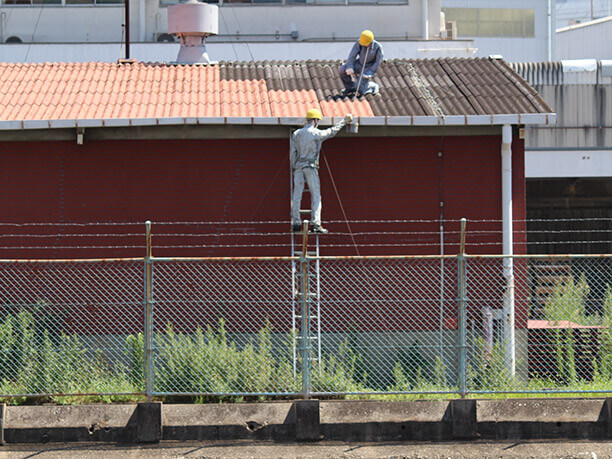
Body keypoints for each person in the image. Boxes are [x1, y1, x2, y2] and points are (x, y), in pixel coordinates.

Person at [290, 109, 354, 234]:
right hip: (310, 167)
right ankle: (316, 224)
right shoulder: (315, 133)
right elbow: (331, 132)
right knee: (316, 195)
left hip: (298, 167)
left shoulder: (296, 134)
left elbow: (293, 153)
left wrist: (294, 167)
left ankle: (296, 223)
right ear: (314, 121)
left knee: (297, 195)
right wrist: (344, 121)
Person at [338, 30, 384, 96]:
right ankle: (350, 88)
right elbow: (352, 55)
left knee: (360, 89)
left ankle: (372, 86)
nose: (365, 45)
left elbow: (377, 62)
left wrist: (370, 73)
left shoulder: (378, 47)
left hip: (368, 68)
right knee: (342, 70)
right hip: (359, 63)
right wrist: (350, 67)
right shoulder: (359, 42)